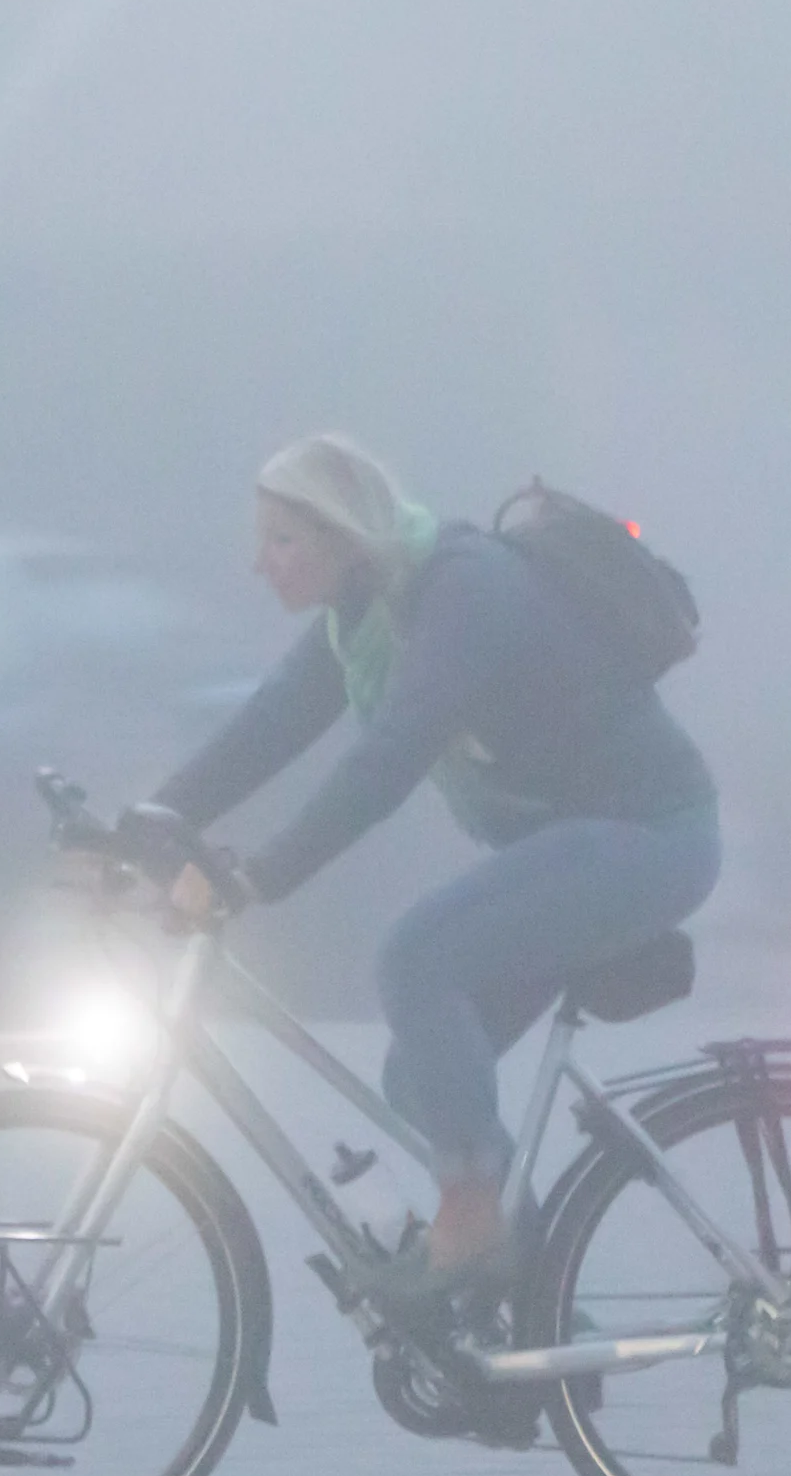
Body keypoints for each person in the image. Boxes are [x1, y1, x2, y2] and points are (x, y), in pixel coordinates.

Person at [143, 434, 718, 1304]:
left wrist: (258, 877)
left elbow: (388, 760)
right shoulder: (364, 613)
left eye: (282, 540)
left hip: (647, 837)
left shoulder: (463, 591)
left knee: (417, 959)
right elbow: (272, 724)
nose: (260, 563)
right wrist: (146, 825)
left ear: (342, 533)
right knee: (422, 1080)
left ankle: (472, 1222)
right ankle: (535, 1317)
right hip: (568, 844)